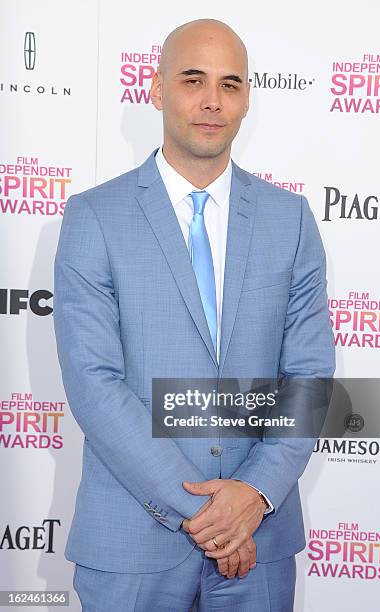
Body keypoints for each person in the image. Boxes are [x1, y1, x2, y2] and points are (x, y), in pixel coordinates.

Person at [53, 17, 335, 612]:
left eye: (230, 84)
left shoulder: (292, 221)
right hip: (132, 544)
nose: (212, 101)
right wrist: (208, 513)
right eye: (193, 80)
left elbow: (309, 379)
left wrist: (254, 494)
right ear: (156, 90)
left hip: (258, 545)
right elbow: (94, 386)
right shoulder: (94, 217)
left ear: (247, 99)